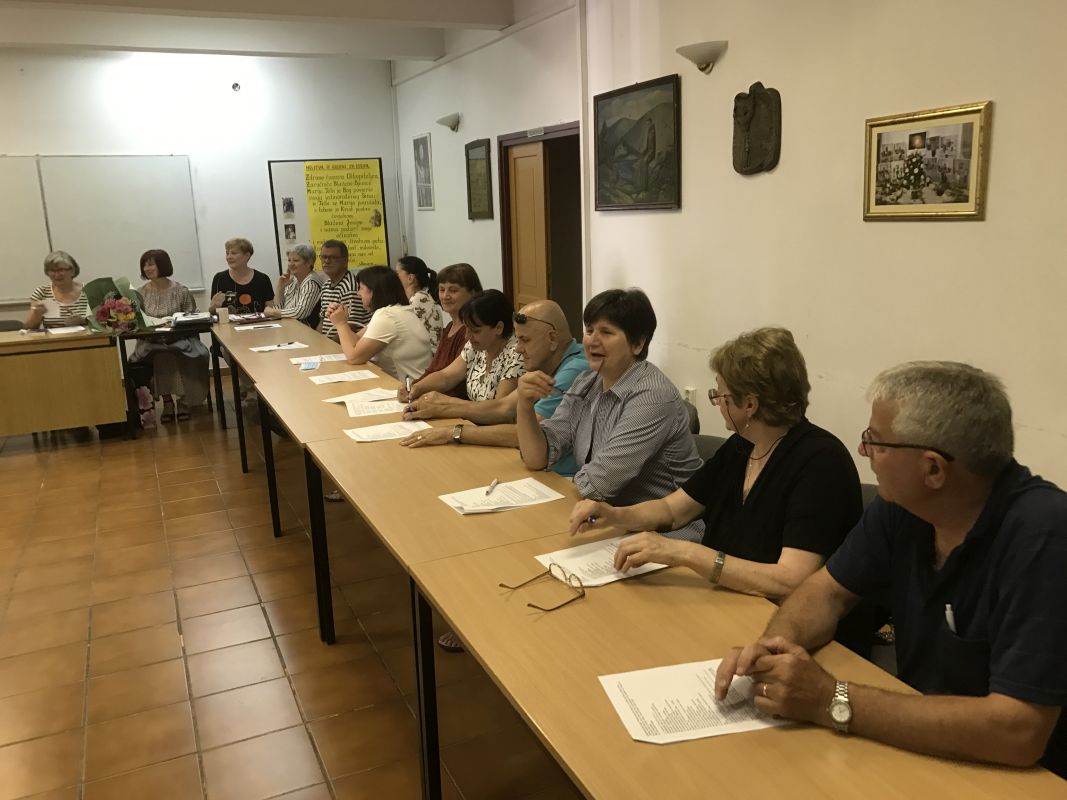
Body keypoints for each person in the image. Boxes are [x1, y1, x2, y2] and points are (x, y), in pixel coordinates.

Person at [713, 362, 1067, 779]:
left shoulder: (1044, 535)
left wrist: (831, 699)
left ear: (933, 469)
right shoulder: (904, 506)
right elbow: (827, 591)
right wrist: (775, 648)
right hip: (922, 747)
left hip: (1020, 777)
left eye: (875, 442)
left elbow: (1019, 731)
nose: (864, 453)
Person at [571, 327, 861, 601]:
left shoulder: (821, 463)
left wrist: (684, 553)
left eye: (720, 395)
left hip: (782, 616)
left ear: (750, 405)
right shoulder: (742, 446)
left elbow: (791, 580)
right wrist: (614, 515)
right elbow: (672, 510)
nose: (717, 403)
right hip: (730, 599)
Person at [516, 288, 703, 541]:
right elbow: (538, 457)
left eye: (606, 332)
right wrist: (524, 406)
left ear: (638, 344)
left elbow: (597, 485)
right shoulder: (587, 382)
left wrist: (573, 480)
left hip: (666, 534)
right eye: (589, 330)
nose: (592, 341)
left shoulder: (653, 397)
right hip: (609, 522)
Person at [400, 300, 588, 477]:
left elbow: (526, 435)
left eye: (525, 340)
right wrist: (442, 407)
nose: (518, 348)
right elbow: (504, 406)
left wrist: (453, 432)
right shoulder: (547, 363)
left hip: (561, 478)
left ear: (552, 339)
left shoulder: (575, 369)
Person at [403, 289, 523, 414]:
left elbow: (499, 410)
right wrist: (415, 388)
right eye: (466, 328)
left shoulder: (517, 353)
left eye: (475, 331)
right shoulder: (477, 345)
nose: (467, 336)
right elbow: (446, 377)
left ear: (499, 328)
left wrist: (447, 403)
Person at [129, 249, 210, 422]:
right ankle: (168, 402)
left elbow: (192, 317)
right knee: (160, 354)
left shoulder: (181, 290)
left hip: (181, 339)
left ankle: (182, 401)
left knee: (173, 353)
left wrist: (175, 324)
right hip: (151, 342)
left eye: (151, 264)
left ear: (162, 265)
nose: (147, 268)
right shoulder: (140, 293)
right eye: (144, 265)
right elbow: (136, 321)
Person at [327, 266, 432, 381]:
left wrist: (341, 324)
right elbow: (356, 341)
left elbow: (354, 358)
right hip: (413, 383)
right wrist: (341, 320)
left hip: (407, 387)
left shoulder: (387, 316)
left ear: (374, 291)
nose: (358, 293)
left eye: (361, 288)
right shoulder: (397, 310)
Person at [397, 262, 482, 403]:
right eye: (442, 290)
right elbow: (433, 369)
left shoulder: (471, 332)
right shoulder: (449, 327)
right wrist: (412, 387)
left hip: (453, 403)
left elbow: (451, 379)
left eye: (453, 290)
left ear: (472, 293)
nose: (445, 296)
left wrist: (417, 390)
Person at [208, 238, 275, 315]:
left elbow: (271, 310)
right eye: (227, 253)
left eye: (233, 253)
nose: (229, 257)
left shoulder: (262, 279)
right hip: (228, 323)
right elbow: (212, 312)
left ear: (247, 255)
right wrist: (214, 307)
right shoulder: (219, 278)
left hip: (259, 322)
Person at [317, 240, 368, 341]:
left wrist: (328, 344)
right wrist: (317, 340)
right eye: (324, 257)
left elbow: (351, 325)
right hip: (328, 342)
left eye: (333, 257)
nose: (327, 261)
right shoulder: (326, 285)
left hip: (345, 344)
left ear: (345, 261)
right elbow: (322, 320)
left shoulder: (350, 286)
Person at [25, 251, 89, 328]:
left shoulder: (89, 290)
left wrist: (83, 322)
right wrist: (36, 315)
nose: (57, 274)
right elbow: (28, 328)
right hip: (53, 336)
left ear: (72, 271)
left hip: (85, 335)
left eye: (61, 270)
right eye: (52, 270)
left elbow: (100, 324)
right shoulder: (41, 292)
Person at [264, 244, 321, 327]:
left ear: (309, 263)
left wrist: (273, 312)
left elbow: (301, 312)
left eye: (296, 260)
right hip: (290, 327)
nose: (290, 264)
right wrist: (280, 287)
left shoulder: (311, 282)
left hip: (306, 330)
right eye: (289, 260)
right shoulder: (293, 280)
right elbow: (279, 310)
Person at [395, 255, 443, 351]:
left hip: (429, 356)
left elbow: (397, 328)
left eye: (397, 274)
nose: (393, 278)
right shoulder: (415, 298)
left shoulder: (420, 298)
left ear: (410, 278)